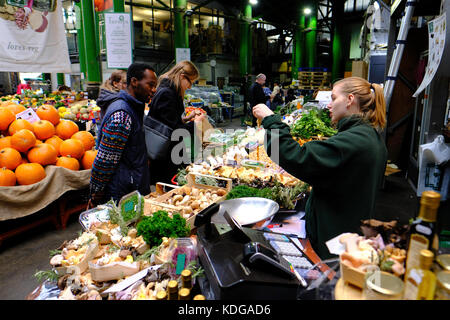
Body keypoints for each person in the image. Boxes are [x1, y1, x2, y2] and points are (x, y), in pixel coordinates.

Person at [253, 76, 388, 259]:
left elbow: (291, 155)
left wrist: (271, 120)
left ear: (350, 100)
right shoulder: (369, 136)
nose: (328, 105)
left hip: (334, 242)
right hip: (347, 232)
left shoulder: (354, 141)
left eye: (333, 98)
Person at [88, 63, 158, 206]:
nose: (154, 90)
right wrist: (95, 194)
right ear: (134, 82)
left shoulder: (133, 107)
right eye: (150, 85)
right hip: (122, 193)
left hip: (131, 186)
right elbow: (105, 161)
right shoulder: (122, 114)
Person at [147, 60, 206, 185]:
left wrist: (185, 118)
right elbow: (175, 131)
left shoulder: (168, 90)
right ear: (182, 76)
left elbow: (167, 121)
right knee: (168, 187)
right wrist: (195, 123)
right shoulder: (167, 94)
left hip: (168, 151)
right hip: (166, 155)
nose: (190, 87)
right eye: (190, 82)